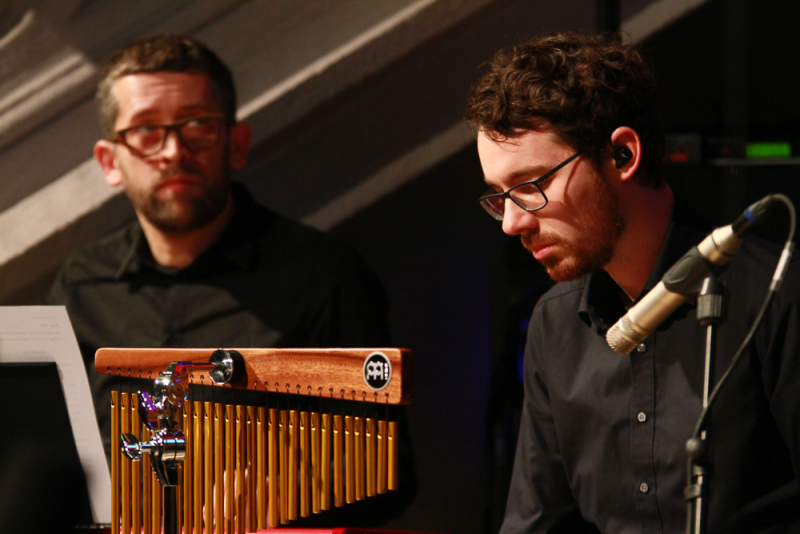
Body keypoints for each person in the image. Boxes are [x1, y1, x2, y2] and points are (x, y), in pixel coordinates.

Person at [47, 33, 414, 526]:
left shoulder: (323, 274)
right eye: (146, 130)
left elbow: (390, 471)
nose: (173, 151)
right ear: (111, 162)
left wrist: (285, 496)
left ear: (236, 144)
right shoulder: (80, 285)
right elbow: (45, 455)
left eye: (197, 125)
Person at [465, 33, 800, 533]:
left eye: (531, 186)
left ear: (623, 154)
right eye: (499, 196)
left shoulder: (775, 294)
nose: (512, 223)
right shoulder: (555, 325)